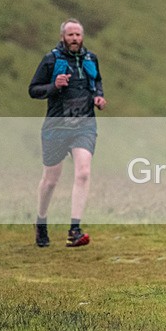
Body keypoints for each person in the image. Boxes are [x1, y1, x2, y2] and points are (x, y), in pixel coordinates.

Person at [29, 19, 107, 247]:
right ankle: (41, 221)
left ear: (82, 37)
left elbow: (97, 82)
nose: (74, 38)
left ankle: (75, 229)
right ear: (63, 36)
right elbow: (33, 90)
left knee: (83, 172)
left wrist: (98, 98)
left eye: (78, 35)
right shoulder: (51, 59)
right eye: (70, 34)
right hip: (56, 126)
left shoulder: (91, 59)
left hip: (84, 125)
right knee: (50, 181)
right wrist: (54, 86)